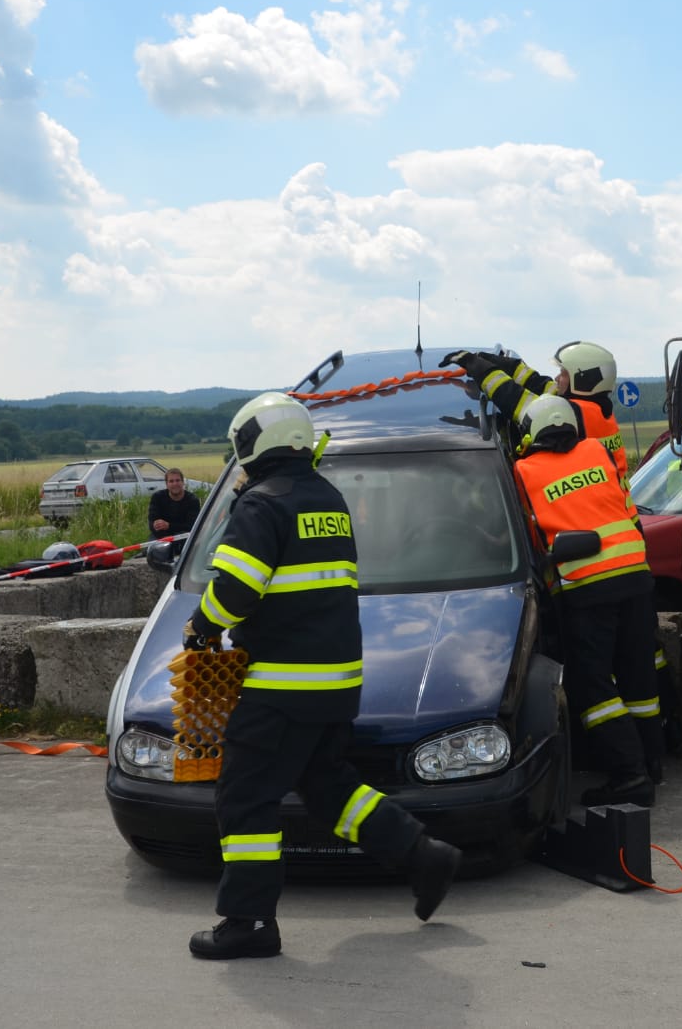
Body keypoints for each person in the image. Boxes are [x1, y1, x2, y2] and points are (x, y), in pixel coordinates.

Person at [182, 392, 461, 960]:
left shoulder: (263, 504)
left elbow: (234, 590)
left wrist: (201, 628)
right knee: (327, 787)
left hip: (283, 685)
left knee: (244, 799)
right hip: (336, 682)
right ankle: (421, 853)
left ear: (253, 443)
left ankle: (250, 923)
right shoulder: (326, 498)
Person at [511, 394, 662, 805]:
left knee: (591, 685)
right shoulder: (595, 450)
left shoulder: (524, 470)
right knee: (638, 678)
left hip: (589, 585)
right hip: (635, 576)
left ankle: (630, 776)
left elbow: (527, 532)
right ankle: (651, 762)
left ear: (531, 434)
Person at [442, 341, 631, 492]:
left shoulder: (571, 416)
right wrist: (508, 365)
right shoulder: (596, 408)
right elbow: (540, 385)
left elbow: (515, 399)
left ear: (581, 379)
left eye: (563, 373)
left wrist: (476, 366)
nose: (557, 378)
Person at [148, 467, 201, 541]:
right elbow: (152, 522)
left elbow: (192, 526)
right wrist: (157, 526)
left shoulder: (192, 500)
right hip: (161, 535)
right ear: (166, 484)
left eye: (177, 480)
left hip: (184, 536)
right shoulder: (157, 497)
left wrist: (169, 526)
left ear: (183, 482)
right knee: (155, 549)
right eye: (171, 481)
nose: (175, 484)